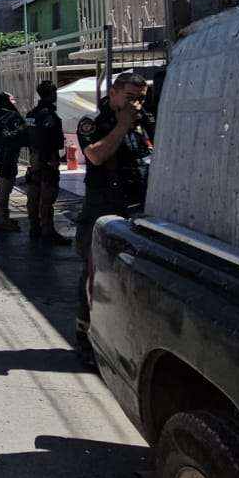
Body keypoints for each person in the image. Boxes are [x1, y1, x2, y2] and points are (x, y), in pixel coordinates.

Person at [73, 71, 153, 367]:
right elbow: (95, 156)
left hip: (137, 210)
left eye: (140, 99)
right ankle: (85, 338)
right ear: (114, 93)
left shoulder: (143, 120)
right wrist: (122, 126)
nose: (135, 105)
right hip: (102, 210)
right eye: (130, 98)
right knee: (94, 276)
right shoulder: (94, 123)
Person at [25, 81, 70, 244]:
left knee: (34, 193)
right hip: (47, 157)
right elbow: (53, 140)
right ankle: (47, 230)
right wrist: (52, 159)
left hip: (34, 156)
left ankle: (34, 227)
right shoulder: (49, 115)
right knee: (47, 196)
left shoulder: (31, 114)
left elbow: (27, 136)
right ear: (51, 94)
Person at [0, 93, 26, 231]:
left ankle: (1, 217)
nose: (14, 101)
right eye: (12, 99)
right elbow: (17, 135)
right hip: (7, 155)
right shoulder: (10, 116)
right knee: (5, 188)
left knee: (2, 187)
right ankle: (1, 220)